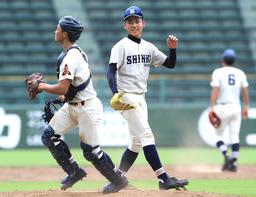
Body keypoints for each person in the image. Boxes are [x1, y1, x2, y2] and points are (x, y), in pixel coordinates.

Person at [37, 16, 127, 192]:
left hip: (87, 108)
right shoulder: (75, 52)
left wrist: (42, 86)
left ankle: (118, 181)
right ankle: (74, 172)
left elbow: (63, 87)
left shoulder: (71, 56)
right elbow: (80, 80)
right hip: (73, 105)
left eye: (58, 29)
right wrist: (67, 95)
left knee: (91, 152)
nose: (55, 31)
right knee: (48, 136)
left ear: (64, 34)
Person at [105, 6, 189, 191]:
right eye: (130, 22)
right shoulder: (120, 47)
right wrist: (114, 93)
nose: (134, 24)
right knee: (146, 135)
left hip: (141, 97)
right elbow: (111, 71)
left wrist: (172, 49)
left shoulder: (148, 47)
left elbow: (170, 64)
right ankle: (163, 179)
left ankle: (118, 178)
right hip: (126, 97)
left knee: (136, 142)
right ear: (125, 25)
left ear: (143, 23)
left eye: (137, 21)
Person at [209, 48, 249, 172]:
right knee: (235, 136)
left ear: (223, 60)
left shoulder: (218, 72)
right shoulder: (240, 73)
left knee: (218, 135)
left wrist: (211, 107)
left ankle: (226, 155)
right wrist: (246, 107)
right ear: (234, 60)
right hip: (236, 107)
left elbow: (215, 90)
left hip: (222, 107)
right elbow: (245, 91)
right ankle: (234, 163)